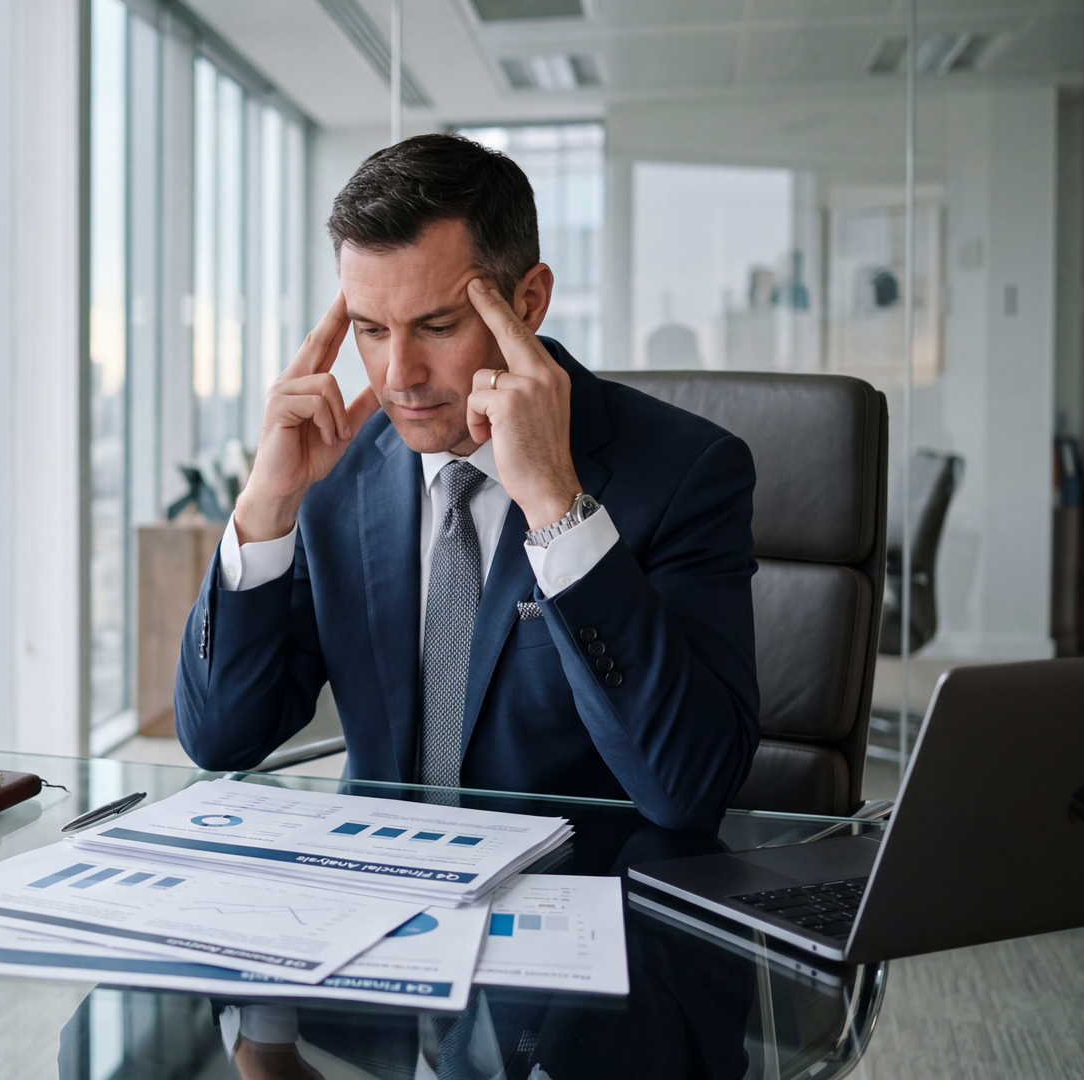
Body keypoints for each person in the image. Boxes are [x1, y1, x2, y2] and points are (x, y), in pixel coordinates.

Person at [172, 133, 759, 831]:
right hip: (377, 891)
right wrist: (266, 507)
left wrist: (557, 506)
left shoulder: (686, 473)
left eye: (438, 326)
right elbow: (221, 740)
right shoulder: (337, 472)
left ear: (529, 301)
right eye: (370, 329)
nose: (398, 376)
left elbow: (691, 790)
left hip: (574, 896)